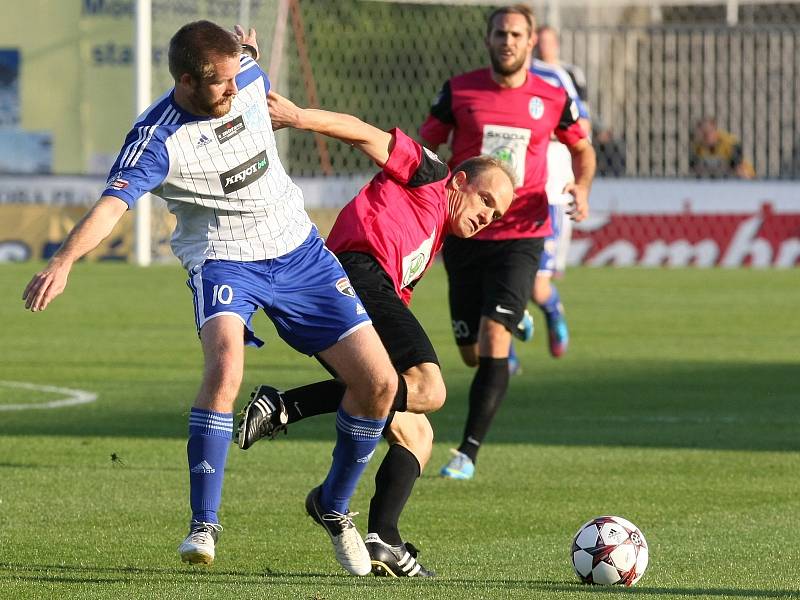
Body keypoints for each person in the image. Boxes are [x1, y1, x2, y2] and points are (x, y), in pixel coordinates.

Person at [21, 21, 399, 577]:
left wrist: (243, 48)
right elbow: (111, 205)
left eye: (236, 74)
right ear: (187, 81)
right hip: (224, 258)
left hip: (298, 249)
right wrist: (64, 259)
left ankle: (334, 506)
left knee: (380, 384)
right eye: (220, 83)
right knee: (225, 369)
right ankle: (204, 524)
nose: (235, 88)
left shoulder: (244, 71)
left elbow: (242, 56)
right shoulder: (156, 140)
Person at [236, 90, 515, 576]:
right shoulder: (431, 173)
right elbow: (365, 133)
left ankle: (383, 537)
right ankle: (289, 407)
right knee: (429, 388)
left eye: (495, 215)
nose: (486, 216)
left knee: (417, 431)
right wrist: (299, 117)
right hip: (355, 274)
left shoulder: (434, 238)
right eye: (485, 200)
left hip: (353, 288)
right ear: (462, 180)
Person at [419, 5, 596, 480]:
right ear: (489, 39)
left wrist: (582, 188)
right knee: (469, 351)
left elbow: (582, 147)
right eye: (500, 33)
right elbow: (427, 145)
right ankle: (509, 318)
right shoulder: (459, 90)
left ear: (531, 40)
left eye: (517, 34)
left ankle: (467, 454)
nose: (508, 41)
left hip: (523, 231)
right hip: (465, 230)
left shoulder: (554, 95)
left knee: (493, 338)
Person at [522, 23, 593, 363]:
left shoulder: (558, 77)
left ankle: (552, 311)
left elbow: (584, 130)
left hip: (549, 193)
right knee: (497, 281)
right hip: (508, 195)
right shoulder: (501, 79)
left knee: (536, 286)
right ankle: (500, 357)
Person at [690, 117, 755, 179]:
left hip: (733, 173)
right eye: (702, 133)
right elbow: (694, 167)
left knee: (742, 172)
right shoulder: (697, 146)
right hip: (714, 175)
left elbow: (737, 165)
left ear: (715, 130)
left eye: (708, 132)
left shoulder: (730, 142)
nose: (706, 136)